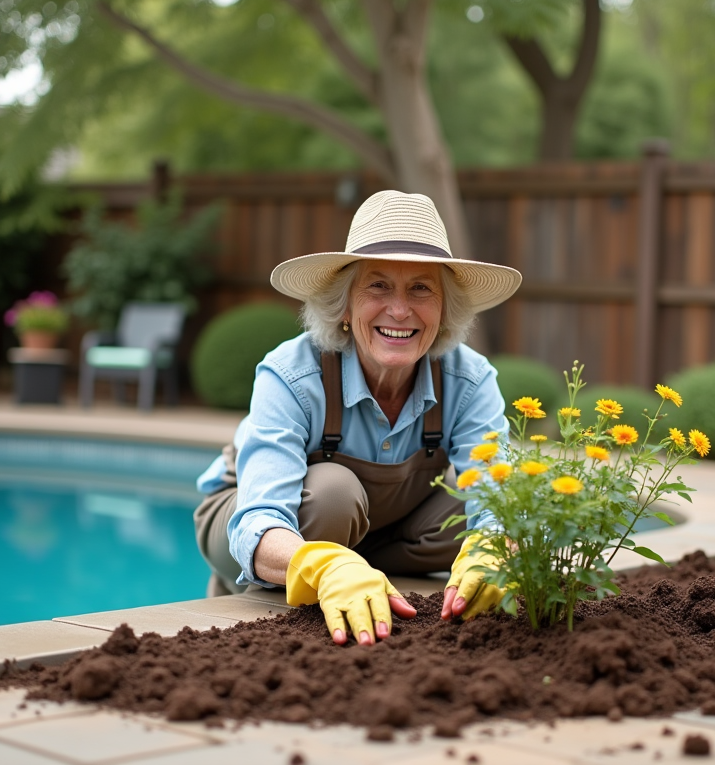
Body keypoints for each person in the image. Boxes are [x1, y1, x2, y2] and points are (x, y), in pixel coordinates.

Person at [195, 190, 522, 645]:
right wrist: (327, 564)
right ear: (344, 303)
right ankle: (280, 586)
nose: (400, 310)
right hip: (251, 519)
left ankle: (363, 579)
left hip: (382, 535)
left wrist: (494, 550)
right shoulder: (292, 373)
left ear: (444, 308)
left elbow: (499, 497)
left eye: (421, 288)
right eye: (379, 285)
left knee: (474, 516)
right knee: (333, 494)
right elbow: (258, 518)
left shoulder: (468, 379)